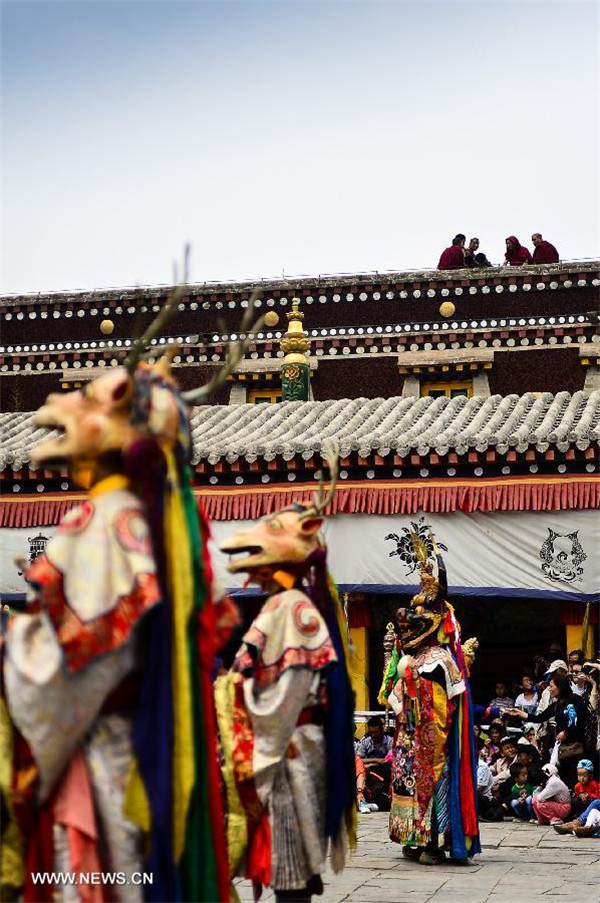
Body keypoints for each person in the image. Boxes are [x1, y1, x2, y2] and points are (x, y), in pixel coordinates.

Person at [0, 328, 237, 900]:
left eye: (89, 399)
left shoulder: (106, 523)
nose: (65, 405)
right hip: (141, 755)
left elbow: (59, 671)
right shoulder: (150, 527)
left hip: (98, 756)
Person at [215, 473, 356, 903]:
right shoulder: (286, 605)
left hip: (286, 746)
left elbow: (289, 691)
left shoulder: (292, 608)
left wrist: (245, 726)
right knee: (286, 870)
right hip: (288, 743)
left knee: (290, 873)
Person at [379, 536, 480, 865]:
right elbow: (393, 700)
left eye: (421, 613)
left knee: (433, 787)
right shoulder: (415, 661)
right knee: (411, 789)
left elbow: (454, 705)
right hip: (412, 742)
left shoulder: (440, 660)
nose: (410, 622)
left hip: (434, 742)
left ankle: (432, 843)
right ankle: (415, 841)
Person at [515, 671, 588, 787]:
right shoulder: (557, 704)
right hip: (563, 750)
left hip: (576, 749)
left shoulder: (576, 700)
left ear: (560, 687)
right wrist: (521, 714)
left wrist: (566, 732)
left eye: (552, 686)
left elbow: (580, 721)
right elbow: (539, 717)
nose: (549, 689)